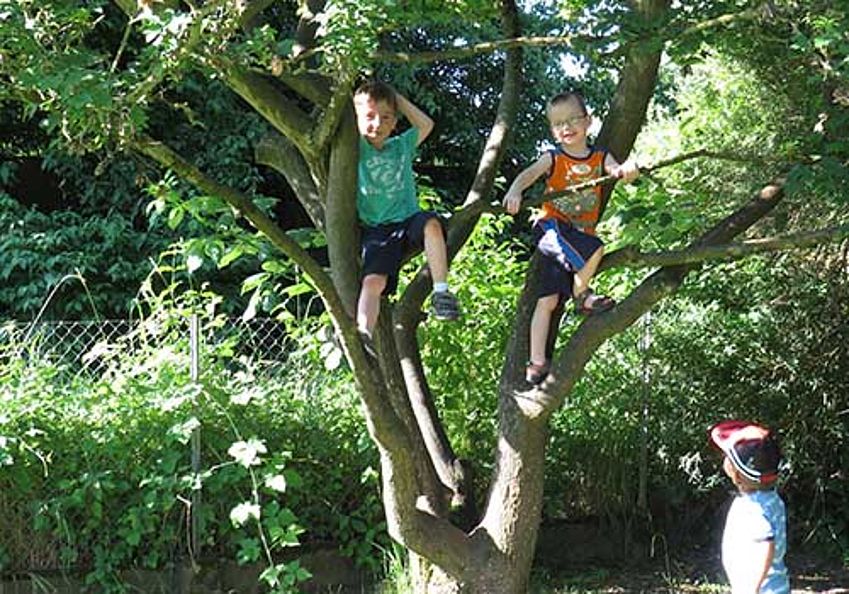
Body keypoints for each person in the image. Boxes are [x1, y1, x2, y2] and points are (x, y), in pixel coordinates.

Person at [502, 90, 639, 385]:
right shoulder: (553, 157)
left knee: (549, 299)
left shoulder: (600, 157)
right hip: (552, 227)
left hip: (577, 234)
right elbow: (529, 174)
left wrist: (628, 169)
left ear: (588, 122)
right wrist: (515, 190)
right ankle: (580, 299)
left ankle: (540, 359)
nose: (566, 128)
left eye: (573, 120)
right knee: (594, 250)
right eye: (557, 124)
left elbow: (617, 170)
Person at [353, 80, 461, 350]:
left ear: (394, 123)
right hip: (377, 230)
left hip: (408, 220)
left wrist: (396, 98)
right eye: (369, 116)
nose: (377, 123)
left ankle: (441, 293)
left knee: (432, 224)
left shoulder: (400, 146)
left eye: (385, 117)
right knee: (373, 282)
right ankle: (362, 333)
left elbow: (426, 125)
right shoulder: (355, 148)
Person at [709, 420, 790, 594]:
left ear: (737, 476)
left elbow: (765, 546)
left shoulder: (754, 509)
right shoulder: (771, 499)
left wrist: (751, 589)